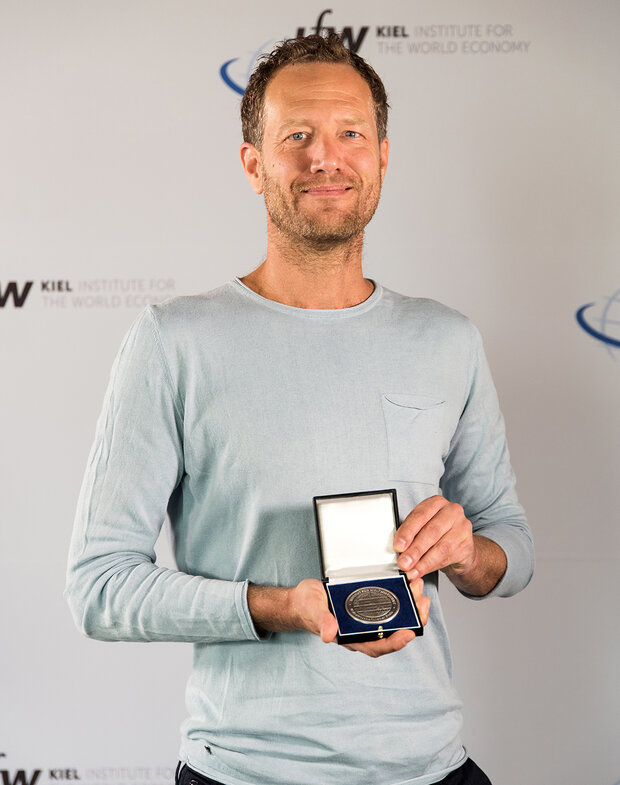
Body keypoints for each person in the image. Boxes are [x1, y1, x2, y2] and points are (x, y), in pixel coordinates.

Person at [66, 33, 534, 785]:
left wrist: (468, 549)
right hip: (245, 772)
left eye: (351, 133)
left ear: (383, 156)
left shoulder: (447, 338)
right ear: (254, 164)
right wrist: (280, 604)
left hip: (431, 765)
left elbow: (511, 549)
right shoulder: (172, 341)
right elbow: (99, 586)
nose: (326, 158)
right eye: (297, 137)